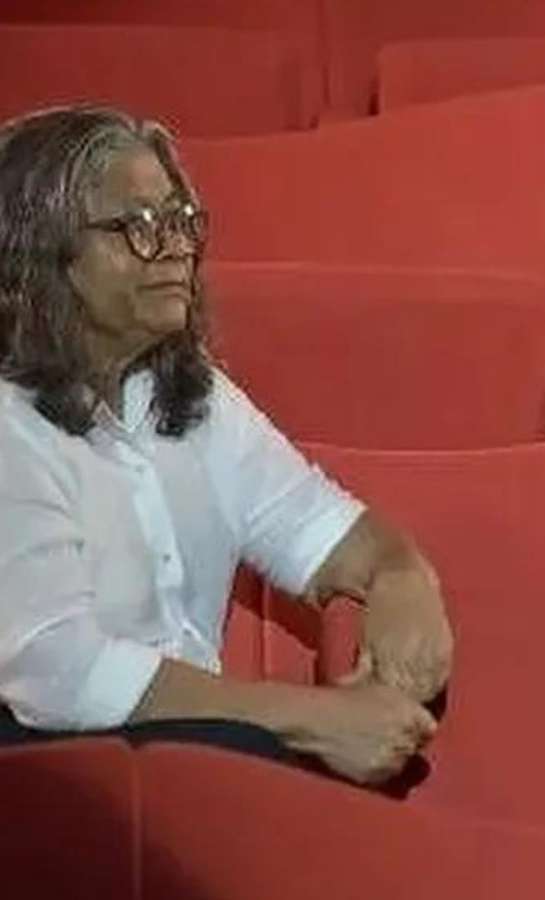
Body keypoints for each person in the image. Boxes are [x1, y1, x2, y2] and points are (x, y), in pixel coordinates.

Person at [0, 106, 453, 786]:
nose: (176, 247)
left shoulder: (195, 397)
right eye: (138, 226)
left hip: (194, 769)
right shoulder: (8, 422)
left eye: (181, 220)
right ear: (41, 254)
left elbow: (322, 531)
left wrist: (404, 579)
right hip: (50, 781)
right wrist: (308, 717)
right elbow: (59, 674)